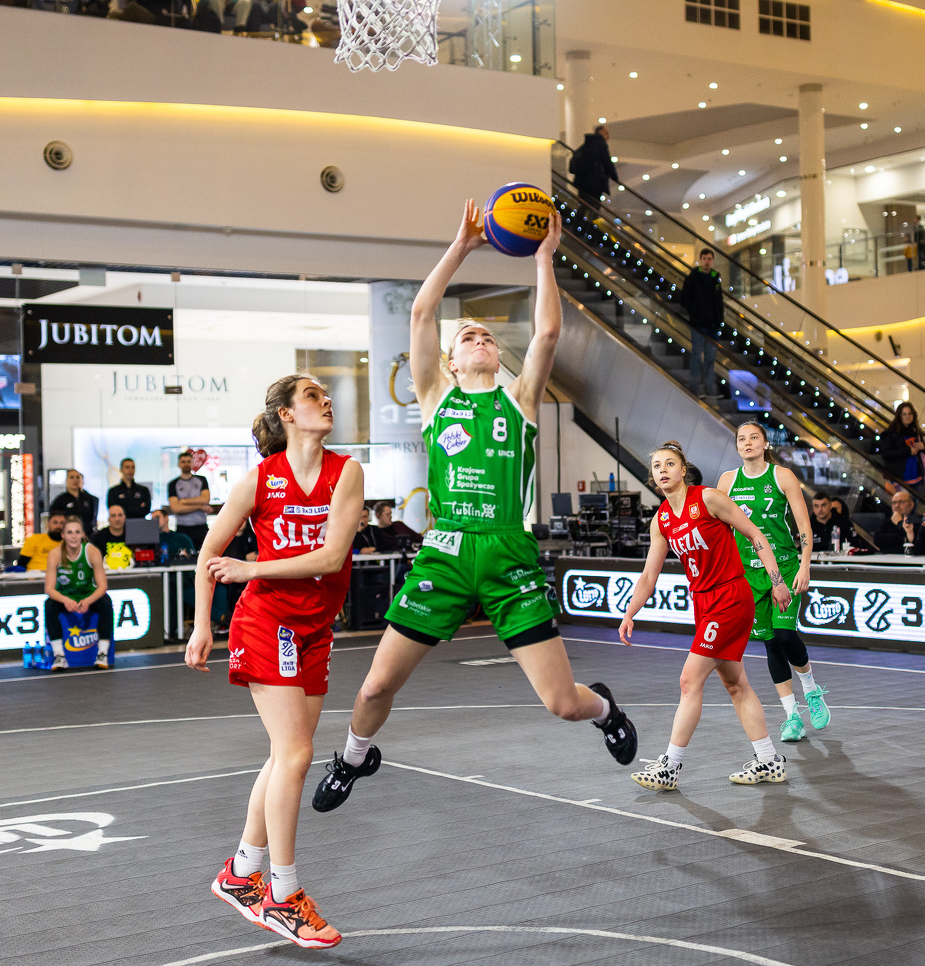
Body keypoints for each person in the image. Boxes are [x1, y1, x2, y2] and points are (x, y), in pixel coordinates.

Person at [313, 200, 637, 814]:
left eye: (487, 336)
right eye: (468, 337)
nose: (481, 339)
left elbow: (547, 333)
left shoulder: (519, 400)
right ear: (451, 361)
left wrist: (544, 258)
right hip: (447, 553)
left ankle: (606, 710)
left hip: (509, 551)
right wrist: (460, 247)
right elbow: (421, 311)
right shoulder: (436, 398)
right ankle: (352, 758)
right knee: (376, 684)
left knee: (562, 703)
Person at [187, 374, 364, 949]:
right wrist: (201, 625)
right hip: (267, 621)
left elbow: (332, 556)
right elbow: (209, 552)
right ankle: (282, 895)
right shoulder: (261, 479)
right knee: (295, 753)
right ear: (286, 414)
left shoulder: (346, 472)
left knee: (286, 753)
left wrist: (251, 568)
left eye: (325, 394)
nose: (326, 400)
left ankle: (241, 872)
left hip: (314, 627)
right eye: (313, 395)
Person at [625, 441, 792, 791]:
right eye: (657, 466)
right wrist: (630, 612)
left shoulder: (708, 499)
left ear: (683, 470)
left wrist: (777, 581)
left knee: (689, 681)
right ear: (652, 476)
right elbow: (649, 576)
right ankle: (769, 760)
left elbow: (756, 535)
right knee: (736, 684)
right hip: (703, 604)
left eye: (670, 464)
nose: (663, 470)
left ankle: (670, 766)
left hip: (730, 597)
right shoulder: (662, 520)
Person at [719, 423, 828, 744]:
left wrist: (805, 565)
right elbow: (720, 531)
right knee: (770, 643)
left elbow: (804, 526)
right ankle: (792, 716)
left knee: (784, 634)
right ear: (736, 446)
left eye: (754, 437)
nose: (748, 443)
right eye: (742, 439)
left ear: (765, 443)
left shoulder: (782, 476)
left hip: (785, 568)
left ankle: (811, 690)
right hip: (748, 576)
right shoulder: (727, 481)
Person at [44, 517, 113, 671]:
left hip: (87, 595)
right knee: (49, 605)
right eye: (69, 532)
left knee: (106, 602)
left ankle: (102, 653)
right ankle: (59, 655)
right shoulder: (55, 554)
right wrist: (65, 600)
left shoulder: (92, 551)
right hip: (66, 596)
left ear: (82, 534)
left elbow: (103, 586)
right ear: (63, 535)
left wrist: (88, 600)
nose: (73, 536)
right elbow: (49, 589)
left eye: (77, 532)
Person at [680, 247, 724, 398]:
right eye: (704, 259)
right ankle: (695, 388)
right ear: (700, 260)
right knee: (697, 355)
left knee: (710, 358)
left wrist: (719, 318)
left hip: (713, 325)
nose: (706, 262)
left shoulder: (715, 278)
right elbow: (684, 299)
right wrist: (696, 311)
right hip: (699, 324)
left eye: (709, 259)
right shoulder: (693, 278)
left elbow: (719, 301)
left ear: (712, 260)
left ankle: (709, 389)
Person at [168, 451, 212, 550]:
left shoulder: (202, 480)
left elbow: (205, 499)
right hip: (182, 527)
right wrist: (199, 506)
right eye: (183, 462)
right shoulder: (173, 484)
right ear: (179, 464)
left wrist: (183, 501)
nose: (186, 464)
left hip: (201, 527)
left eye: (188, 461)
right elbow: (176, 508)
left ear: (192, 463)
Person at [878, 401, 925, 491]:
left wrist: (924, 447)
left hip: (917, 477)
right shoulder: (891, 433)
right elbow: (886, 454)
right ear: (899, 416)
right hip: (900, 478)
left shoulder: (916, 432)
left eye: (910, 413)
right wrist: (908, 451)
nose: (907, 416)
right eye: (904, 414)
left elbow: (923, 453)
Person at [568, 124, 619, 206]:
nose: (608, 136)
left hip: (581, 181)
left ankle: (582, 214)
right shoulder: (600, 144)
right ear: (600, 132)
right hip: (594, 183)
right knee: (593, 206)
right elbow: (607, 162)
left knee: (583, 205)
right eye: (606, 133)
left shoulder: (587, 144)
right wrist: (615, 177)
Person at [50, 470, 99, 537]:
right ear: (66, 480)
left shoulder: (88, 498)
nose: (75, 480)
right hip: (68, 536)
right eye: (72, 477)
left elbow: (92, 519)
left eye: (77, 477)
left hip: (86, 536)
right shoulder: (60, 500)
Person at [873, 488, 919, 554]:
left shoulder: (917, 520)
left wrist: (899, 523)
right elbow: (877, 540)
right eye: (894, 503)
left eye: (901, 502)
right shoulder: (888, 521)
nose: (897, 506)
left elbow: (914, 542)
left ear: (911, 505)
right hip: (887, 557)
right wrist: (902, 538)